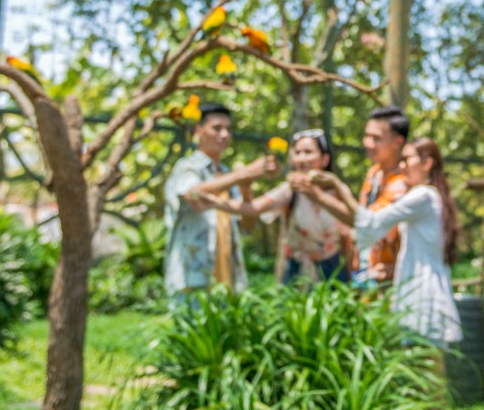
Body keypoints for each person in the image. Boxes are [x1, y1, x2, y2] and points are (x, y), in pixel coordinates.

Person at [301, 136, 462, 346]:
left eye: (407, 160)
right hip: (421, 289)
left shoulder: (422, 195)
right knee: (423, 359)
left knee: (426, 359)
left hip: (423, 293)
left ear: (427, 163)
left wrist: (337, 186)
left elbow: (372, 222)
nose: (401, 167)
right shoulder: (430, 196)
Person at [198, 128, 353, 285]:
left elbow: (349, 232)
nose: (301, 158)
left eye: (308, 152)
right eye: (297, 153)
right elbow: (254, 208)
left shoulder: (338, 191)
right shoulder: (290, 189)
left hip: (331, 268)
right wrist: (214, 202)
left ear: (324, 159)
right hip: (296, 269)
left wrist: (352, 270)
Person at [162, 102, 278, 302]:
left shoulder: (227, 174)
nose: (224, 135)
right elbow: (192, 195)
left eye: (228, 129)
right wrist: (243, 174)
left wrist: (245, 187)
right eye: (217, 128)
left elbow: (248, 225)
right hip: (192, 279)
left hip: (228, 281)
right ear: (198, 130)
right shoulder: (187, 167)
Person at [354, 105, 409, 285]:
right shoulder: (374, 173)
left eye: (376, 138)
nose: (368, 143)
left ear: (397, 142)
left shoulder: (404, 183)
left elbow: (369, 221)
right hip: (366, 270)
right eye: (367, 136)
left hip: (392, 280)